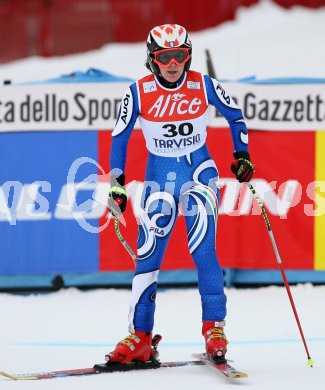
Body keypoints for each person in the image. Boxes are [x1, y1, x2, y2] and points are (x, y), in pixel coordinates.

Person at [107, 24, 254, 364]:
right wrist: (117, 185)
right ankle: (140, 336)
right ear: (151, 59)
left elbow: (236, 117)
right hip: (158, 180)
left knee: (203, 251)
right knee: (148, 257)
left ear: (187, 56)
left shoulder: (203, 84)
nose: (172, 64)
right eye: (164, 57)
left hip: (199, 174)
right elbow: (120, 138)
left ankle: (213, 327)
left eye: (179, 56)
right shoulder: (138, 92)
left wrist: (242, 155)